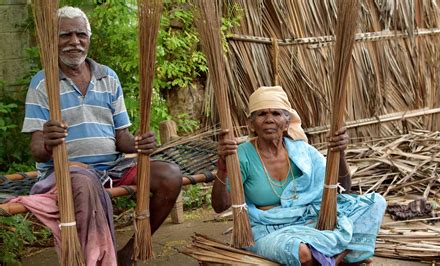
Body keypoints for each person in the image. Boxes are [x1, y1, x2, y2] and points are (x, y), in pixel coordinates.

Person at [20, 6, 182, 266]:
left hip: (112, 168)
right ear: (53, 40)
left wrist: (139, 143)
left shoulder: (108, 77)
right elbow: (37, 148)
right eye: (65, 35)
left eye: (81, 34)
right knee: (86, 184)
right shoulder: (43, 83)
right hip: (66, 172)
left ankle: (129, 252)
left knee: (170, 176)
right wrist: (49, 141)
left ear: (89, 38)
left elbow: (122, 139)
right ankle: (96, 260)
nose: (74, 41)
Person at [212, 86, 386, 266]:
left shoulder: (302, 152)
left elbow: (343, 188)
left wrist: (339, 153)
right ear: (251, 124)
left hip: (309, 220)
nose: (269, 120)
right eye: (262, 114)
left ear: (287, 123)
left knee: (376, 202)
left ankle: (328, 258)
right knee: (301, 252)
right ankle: (338, 255)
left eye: (276, 114)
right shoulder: (242, 155)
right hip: (267, 230)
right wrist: (223, 169)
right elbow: (219, 206)